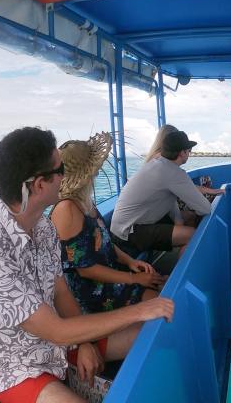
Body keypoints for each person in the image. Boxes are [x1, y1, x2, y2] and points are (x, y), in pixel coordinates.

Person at [0, 127, 174, 403]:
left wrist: (83, 342)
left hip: (57, 341)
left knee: (153, 332)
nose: (64, 177)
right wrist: (139, 310)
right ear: (39, 185)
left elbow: (61, 292)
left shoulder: (43, 227)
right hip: (14, 362)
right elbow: (54, 330)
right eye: (60, 170)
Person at [51, 132, 166, 315]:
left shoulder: (83, 200)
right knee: (160, 302)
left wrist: (130, 261)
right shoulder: (67, 209)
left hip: (110, 275)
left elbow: (103, 241)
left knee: (162, 282)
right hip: (92, 293)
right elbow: (85, 269)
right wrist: (133, 279)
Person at [110, 130, 212, 257]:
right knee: (194, 235)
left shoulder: (158, 164)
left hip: (124, 225)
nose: (189, 154)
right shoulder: (173, 173)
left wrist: (179, 221)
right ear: (182, 153)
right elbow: (205, 209)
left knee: (190, 217)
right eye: (189, 151)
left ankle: (183, 249)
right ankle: (179, 273)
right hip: (127, 232)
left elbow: (169, 200)